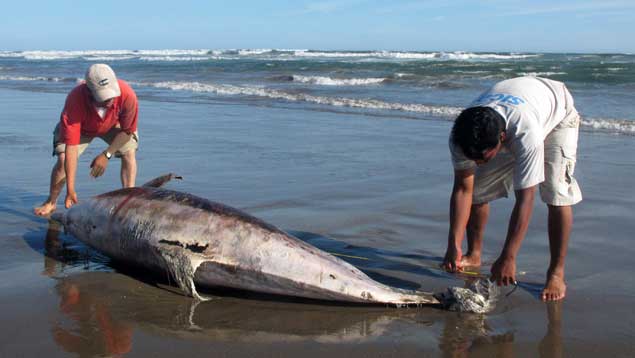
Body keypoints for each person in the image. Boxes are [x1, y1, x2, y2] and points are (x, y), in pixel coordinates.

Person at [442, 76, 582, 301]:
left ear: (502, 139)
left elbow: (526, 199)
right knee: (476, 189)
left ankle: (556, 272)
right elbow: (462, 190)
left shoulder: (526, 135)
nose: (478, 162)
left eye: (483, 157)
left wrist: (509, 256)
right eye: (472, 157)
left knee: (556, 192)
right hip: (522, 102)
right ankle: (473, 254)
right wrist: (452, 245)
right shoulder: (461, 136)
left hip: (558, 115)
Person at [34, 64, 139, 216]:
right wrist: (71, 189)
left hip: (113, 126)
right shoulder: (76, 99)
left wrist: (107, 154)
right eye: (104, 96)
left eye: (111, 94)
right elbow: (71, 146)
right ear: (89, 91)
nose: (109, 100)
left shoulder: (128, 95)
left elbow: (128, 130)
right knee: (63, 158)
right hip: (82, 128)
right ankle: (51, 201)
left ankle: (128, 201)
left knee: (129, 153)